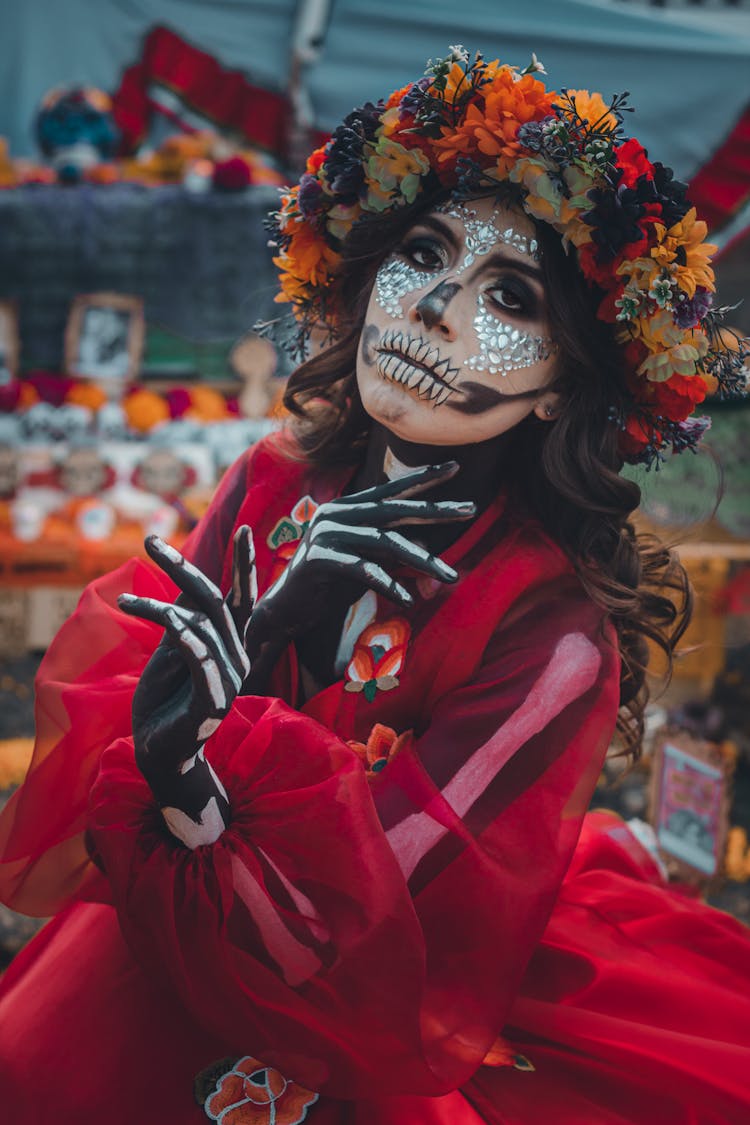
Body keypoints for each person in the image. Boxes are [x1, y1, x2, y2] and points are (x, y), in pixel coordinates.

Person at [1, 47, 749, 1125]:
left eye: (511, 295)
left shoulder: (552, 636)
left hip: (386, 1011)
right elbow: (138, 744)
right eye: (423, 252)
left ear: (561, 387)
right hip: (156, 949)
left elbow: (360, 931)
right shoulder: (273, 477)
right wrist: (260, 637)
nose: (439, 304)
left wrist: (192, 770)